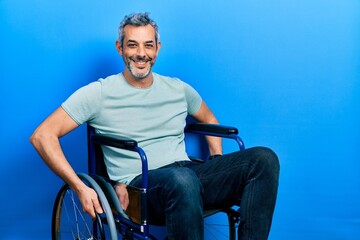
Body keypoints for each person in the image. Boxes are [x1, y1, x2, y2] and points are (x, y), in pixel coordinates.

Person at [30, 12, 280, 240]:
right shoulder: (99, 93)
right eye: (132, 45)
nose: (141, 53)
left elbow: (209, 119)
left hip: (189, 176)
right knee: (182, 180)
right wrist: (79, 187)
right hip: (140, 189)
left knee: (264, 159)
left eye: (148, 45)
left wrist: (215, 157)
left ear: (157, 49)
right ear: (120, 48)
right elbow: (42, 136)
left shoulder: (178, 88)